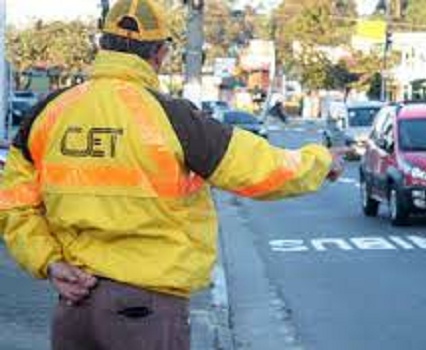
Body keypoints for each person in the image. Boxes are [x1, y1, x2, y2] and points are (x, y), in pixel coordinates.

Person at [0, 1, 345, 349]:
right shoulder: (172, 117)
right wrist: (319, 161)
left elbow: (12, 204)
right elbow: (258, 169)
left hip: (74, 307)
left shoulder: (47, 114)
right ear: (161, 52)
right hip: (146, 314)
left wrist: (49, 262)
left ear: (101, 43)